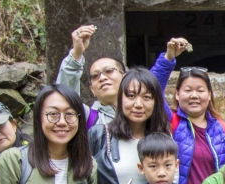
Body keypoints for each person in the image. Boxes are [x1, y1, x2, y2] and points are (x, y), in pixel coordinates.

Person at [56, 28, 189, 128]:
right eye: (96, 76)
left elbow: (152, 84)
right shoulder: (88, 118)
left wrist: (168, 58)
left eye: (109, 71)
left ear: (125, 77)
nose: (102, 78)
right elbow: (65, 99)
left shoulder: (144, 111)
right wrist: (76, 54)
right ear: (92, 89)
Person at [90, 67, 171, 184]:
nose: (138, 104)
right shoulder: (99, 135)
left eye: (146, 97)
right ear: (120, 99)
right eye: (131, 96)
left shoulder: (165, 136)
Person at [169, 67, 225, 184]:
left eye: (200, 90)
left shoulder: (224, 129)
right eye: (188, 90)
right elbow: (154, 91)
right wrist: (168, 59)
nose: (194, 95)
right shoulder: (171, 122)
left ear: (209, 95)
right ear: (177, 94)